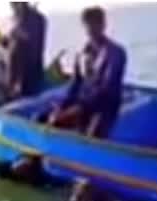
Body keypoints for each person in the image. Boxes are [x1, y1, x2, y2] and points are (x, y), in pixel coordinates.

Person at [49, 6, 127, 138]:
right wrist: (62, 106)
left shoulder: (116, 53)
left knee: (93, 135)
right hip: (85, 103)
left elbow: (107, 89)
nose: (92, 29)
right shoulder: (81, 54)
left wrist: (79, 108)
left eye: (96, 24)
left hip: (105, 107)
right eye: (88, 25)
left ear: (103, 25)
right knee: (47, 119)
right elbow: (75, 84)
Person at [2, 2, 47, 98]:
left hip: (28, 71)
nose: (12, 7)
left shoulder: (35, 18)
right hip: (14, 72)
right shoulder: (18, 18)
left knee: (24, 96)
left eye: (14, 4)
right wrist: (6, 39)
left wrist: (14, 33)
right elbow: (9, 42)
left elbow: (30, 39)